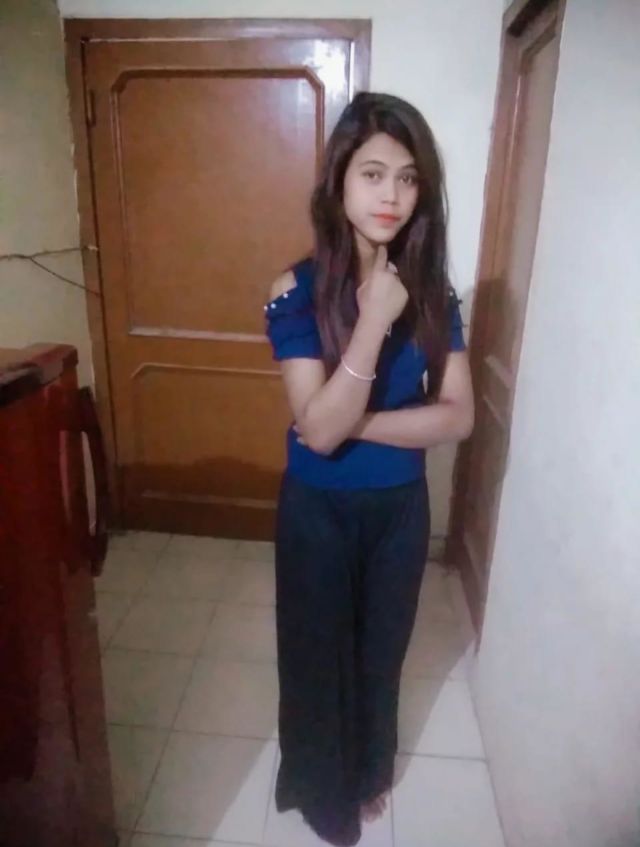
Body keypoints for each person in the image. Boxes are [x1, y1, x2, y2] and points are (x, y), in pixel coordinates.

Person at [264, 91, 474, 846]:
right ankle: (323, 791)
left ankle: (366, 771)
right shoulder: (295, 290)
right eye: (374, 174)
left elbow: (458, 416)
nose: (391, 195)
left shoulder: (434, 292)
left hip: (399, 509)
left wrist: (348, 421)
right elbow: (316, 436)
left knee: (381, 653)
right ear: (340, 182)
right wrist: (375, 319)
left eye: (408, 178)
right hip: (317, 509)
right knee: (317, 656)